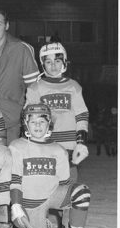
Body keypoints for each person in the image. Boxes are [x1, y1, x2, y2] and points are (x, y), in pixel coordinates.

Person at [9, 104, 96, 228]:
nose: (37, 125)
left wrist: (73, 163)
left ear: (49, 123)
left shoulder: (58, 150)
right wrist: (16, 204)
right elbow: (14, 179)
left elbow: (64, 183)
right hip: (30, 201)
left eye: (42, 121)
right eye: (33, 121)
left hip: (52, 194)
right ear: (25, 124)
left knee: (80, 192)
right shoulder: (16, 146)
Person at [0, 7, 39, 145]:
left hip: (12, 122)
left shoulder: (22, 49)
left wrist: (31, 120)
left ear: (7, 25)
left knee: (9, 164)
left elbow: (35, 89)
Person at [25, 43, 89, 180]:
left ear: (64, 62)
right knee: (46, 180)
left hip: (70, 143)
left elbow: (81, 115)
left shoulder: (74, 86)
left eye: (57, 61)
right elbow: (28, 118)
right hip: (46, 142)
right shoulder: (35, 88)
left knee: (69, 180)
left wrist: (81, 142)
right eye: (48, 62)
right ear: (43, 64)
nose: (53, 66)